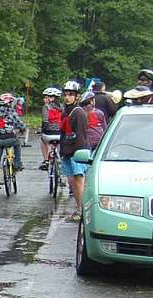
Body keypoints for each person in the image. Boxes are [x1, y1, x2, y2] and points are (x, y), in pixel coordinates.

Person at [59, 80, 88, 222]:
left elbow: (81, 136)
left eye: (71, 94)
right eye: (65, 94)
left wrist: (79, 156)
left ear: (76, 96)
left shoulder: (79, 113)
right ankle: (79, 208)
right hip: (67, 151)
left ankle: (81, 210)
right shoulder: (65, 112)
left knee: (79, 181)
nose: (67, 97)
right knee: (72, 182)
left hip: (77, 153)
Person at [0, 93, 26, 196]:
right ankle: (17, 164)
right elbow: (19, 124)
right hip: (10, 137)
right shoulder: (10, 111)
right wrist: (22, 128)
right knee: (17, 143)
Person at [39, 87, 63, 170]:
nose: (44, 99)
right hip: (60, 133)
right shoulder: (62, 107)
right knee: (59, 143)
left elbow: (45, 121)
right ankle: (61, 158)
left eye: (46, 97)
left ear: (52, 98)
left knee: (43, 140)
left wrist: (42, 130)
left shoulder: (46, 107)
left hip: (49, 133)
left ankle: (46, 160)